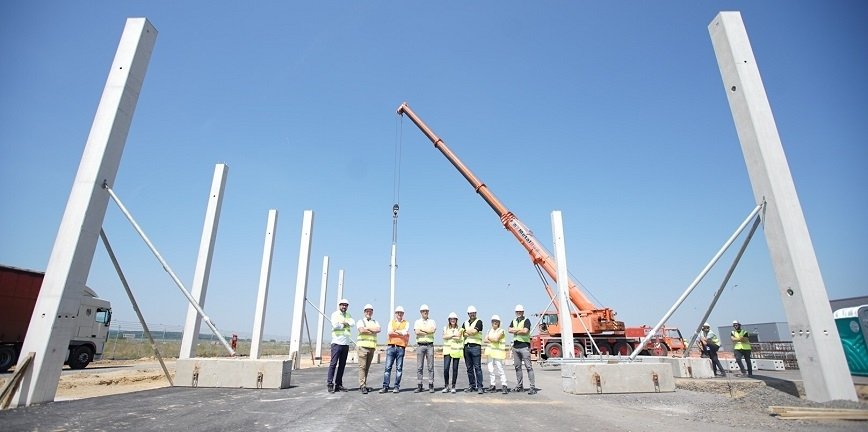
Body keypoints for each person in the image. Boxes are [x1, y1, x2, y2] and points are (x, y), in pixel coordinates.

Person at [380, 305, 409, 393]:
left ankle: (396, 386)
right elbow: (389, 332)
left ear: (403, 314)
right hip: (391, 347)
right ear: (396, 314)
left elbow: (405, 333)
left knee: (399, 368)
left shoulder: (406, 323)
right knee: (387, 368)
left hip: (400, 347)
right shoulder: (391, 322)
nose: (399, 314)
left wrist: (395, 331)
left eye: (401, 313)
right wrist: (400, 332)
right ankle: (385, 386)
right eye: (398, 312)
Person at [509, 304, 536, 394]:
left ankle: (532, 387)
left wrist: (515, 330)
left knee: (528, 367)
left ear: (523, 312)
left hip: (524, 346)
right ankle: (520, 386)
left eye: (520, 311)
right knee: (517, 367)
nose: (518, 313)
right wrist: (519, 330)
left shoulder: (526, 320)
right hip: (516, 347)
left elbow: (525, 331)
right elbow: (509, 330)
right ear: (515, 312)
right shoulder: (514, 320)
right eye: (517, 312)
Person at [327, 298, 353, 393]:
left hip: (345, 343)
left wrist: (344, 323)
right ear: (339, 305)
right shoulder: (335, 314)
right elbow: (335, 325)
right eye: (342, 305)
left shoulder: (348, 315)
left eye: (345, 305)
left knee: (342, 365)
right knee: (333, 364)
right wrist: (345, 324)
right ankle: (330, 384)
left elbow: (352, 323)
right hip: (337, 343)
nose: (344, 306)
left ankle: (338, 384)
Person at [356, 304, 381, 394]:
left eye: (370, 311)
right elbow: (362, 330)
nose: (368, 312)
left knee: (367, 367)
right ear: (364, 312)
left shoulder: (375, 321)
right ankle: (362, 385)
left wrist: (368, 328)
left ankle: (364, 385)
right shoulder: (360, 321)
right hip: (362, 347)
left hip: (371, 347)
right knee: (362, 367)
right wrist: (372, 330)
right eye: (367, 311)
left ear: (372, 312)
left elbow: (378, 329)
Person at [413, 304, 437, 393]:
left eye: (426, 311)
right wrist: (427, 331)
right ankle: (419, 385)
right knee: (419, 367)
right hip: (420, 346)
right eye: (423, 311)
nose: (425, 312)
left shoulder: (432, 321)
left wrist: (423, 330)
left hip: (430, 346)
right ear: (421, 312)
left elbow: (433, 330)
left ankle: (431, 385)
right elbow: (417, 332)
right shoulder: (417, 322)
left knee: (430, 366)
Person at [462, 305, 485, 394]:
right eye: (471, 313)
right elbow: (462, 334)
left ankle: (480, 386)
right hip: (466, 347)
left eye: (473, 313)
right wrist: (468, 333)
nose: (472, 314)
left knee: (477, 367)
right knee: (469, 368)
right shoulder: (465, 323)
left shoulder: (479, 322)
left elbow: (475, 332)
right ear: (468, 314)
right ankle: (472, 385)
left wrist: (467, 332)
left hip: (475, 347)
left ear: (476, 313)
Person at [484, 314, 509, 394]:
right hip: (490, 353)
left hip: (498, 353)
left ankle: (504, 385)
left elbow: (496, 339)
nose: (495, 322)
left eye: (496, 321)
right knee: (491, 370)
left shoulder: (501, 331)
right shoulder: (489, 330)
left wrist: (490, 339)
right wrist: (493, 340)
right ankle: (492, 385)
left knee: (500, 369)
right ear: (491, 322)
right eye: (493, 321)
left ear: (499, 323)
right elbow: (485, 340)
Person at [441, 312, 463, 393]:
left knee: (455, 369)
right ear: (449, 320)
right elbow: (444, 337)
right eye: (451, 319)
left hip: (456, 351)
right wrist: (453, 335)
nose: (453, 320)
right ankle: (446, 386)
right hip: (447, 351)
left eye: (454, 319)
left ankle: (453, 386)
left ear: (456, 320)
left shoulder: (460, 329)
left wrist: (449, 336)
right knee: (446, 369)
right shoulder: (445, 328)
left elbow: (459, 337)